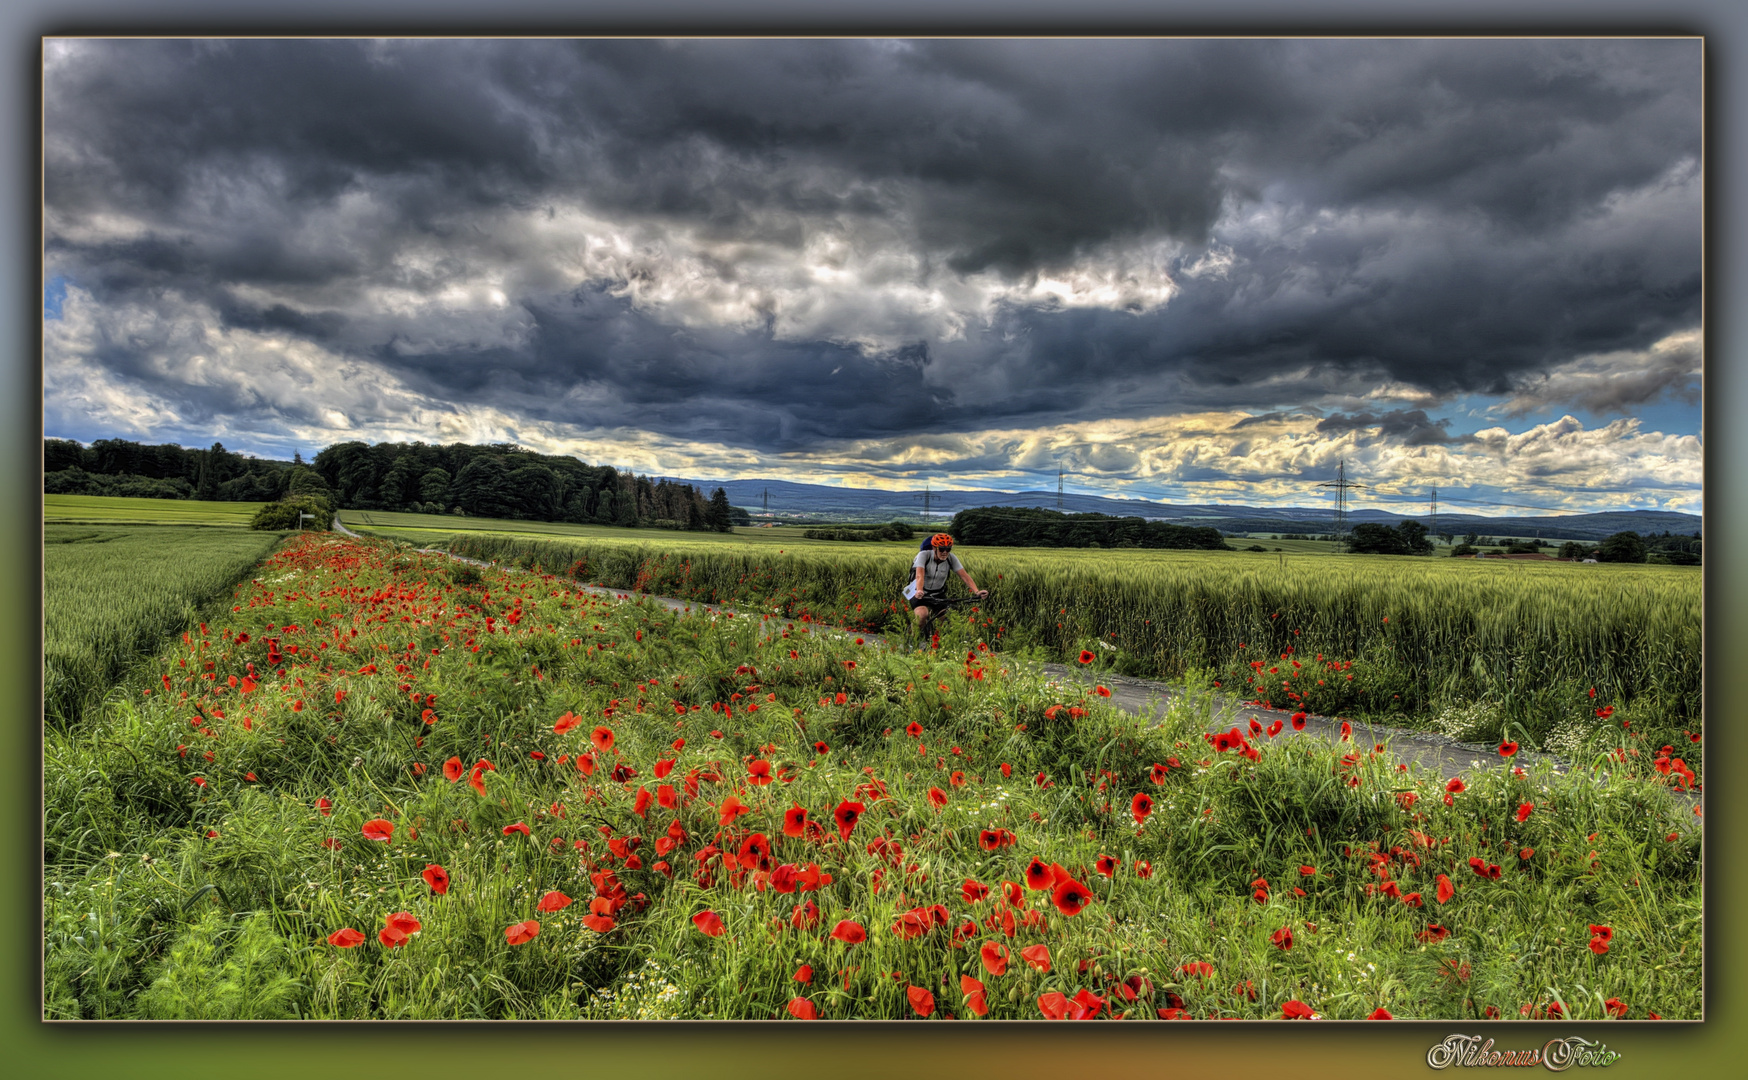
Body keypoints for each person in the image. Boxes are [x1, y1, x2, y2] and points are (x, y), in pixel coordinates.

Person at [903, 533, 987, 633]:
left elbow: (964, 576)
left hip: (938, 593)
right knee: (922, 615)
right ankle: (913, 642)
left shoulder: (951, 558)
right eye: (942, 549)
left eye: (948, 549)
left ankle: (938, 642)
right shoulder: (924, 555)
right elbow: (919, 575)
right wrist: (920, 590)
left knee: (946, 620)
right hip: (919, 592)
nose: (945, 552)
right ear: (934, 548)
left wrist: (977, 591)